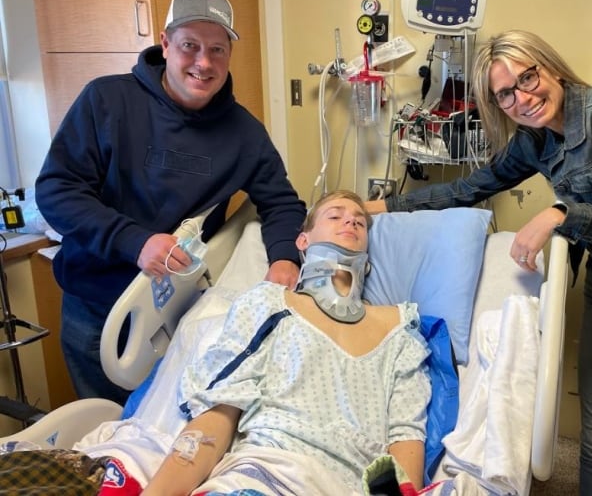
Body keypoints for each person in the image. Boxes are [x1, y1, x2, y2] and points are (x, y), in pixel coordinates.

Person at [366, 30, 592, 495]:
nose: (523, 98)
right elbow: (470, 187)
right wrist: (385, 208)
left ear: (549, 66)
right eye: (505, 94)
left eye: (527, 77)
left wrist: (563, 213)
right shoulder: (533, 140)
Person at [35, 0, 306, 406]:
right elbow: (56, 189)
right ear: (165, 44)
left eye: (217, 49)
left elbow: (282, 202)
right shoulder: (106, 100)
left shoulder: (244, 134)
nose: (204, 62)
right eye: (190, 46)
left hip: (182, 318)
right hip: (97, 313)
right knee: (109, 439)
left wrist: (286, 257)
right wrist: (134, 241)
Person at [84, 190, 428, 496]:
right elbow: (220, 409)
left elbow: (405, 434)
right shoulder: (269, 305)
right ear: (303, 242)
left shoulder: (399, 328)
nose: (350, 223)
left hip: (343, 483)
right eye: (335, 216)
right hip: (261, 475)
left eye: (360, 223)